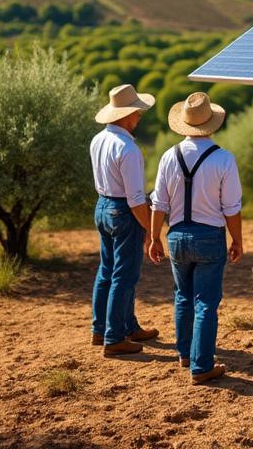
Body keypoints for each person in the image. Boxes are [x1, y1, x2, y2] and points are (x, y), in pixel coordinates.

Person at [148, 92, 244, 385]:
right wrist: (237, 240)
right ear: (212, 125)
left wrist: (154, 238)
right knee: (206, 302)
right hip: (209, 237)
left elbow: (158, 204)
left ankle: (185, 353)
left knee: (182, 296)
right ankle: (202, 367)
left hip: (176, 236)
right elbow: (232, 208)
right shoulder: (224, 159)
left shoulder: (168, 156)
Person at [90, 84, 161, 356]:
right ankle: (115, 337)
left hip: (102, 206)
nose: (139, 117)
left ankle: (106, 329)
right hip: (124, 212)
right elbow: (135, 198)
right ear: (126, 115)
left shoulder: (98, 140)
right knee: (124, 276)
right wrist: (150, 230)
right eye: (138, 113)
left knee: (107, 271)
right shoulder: (129, 150)